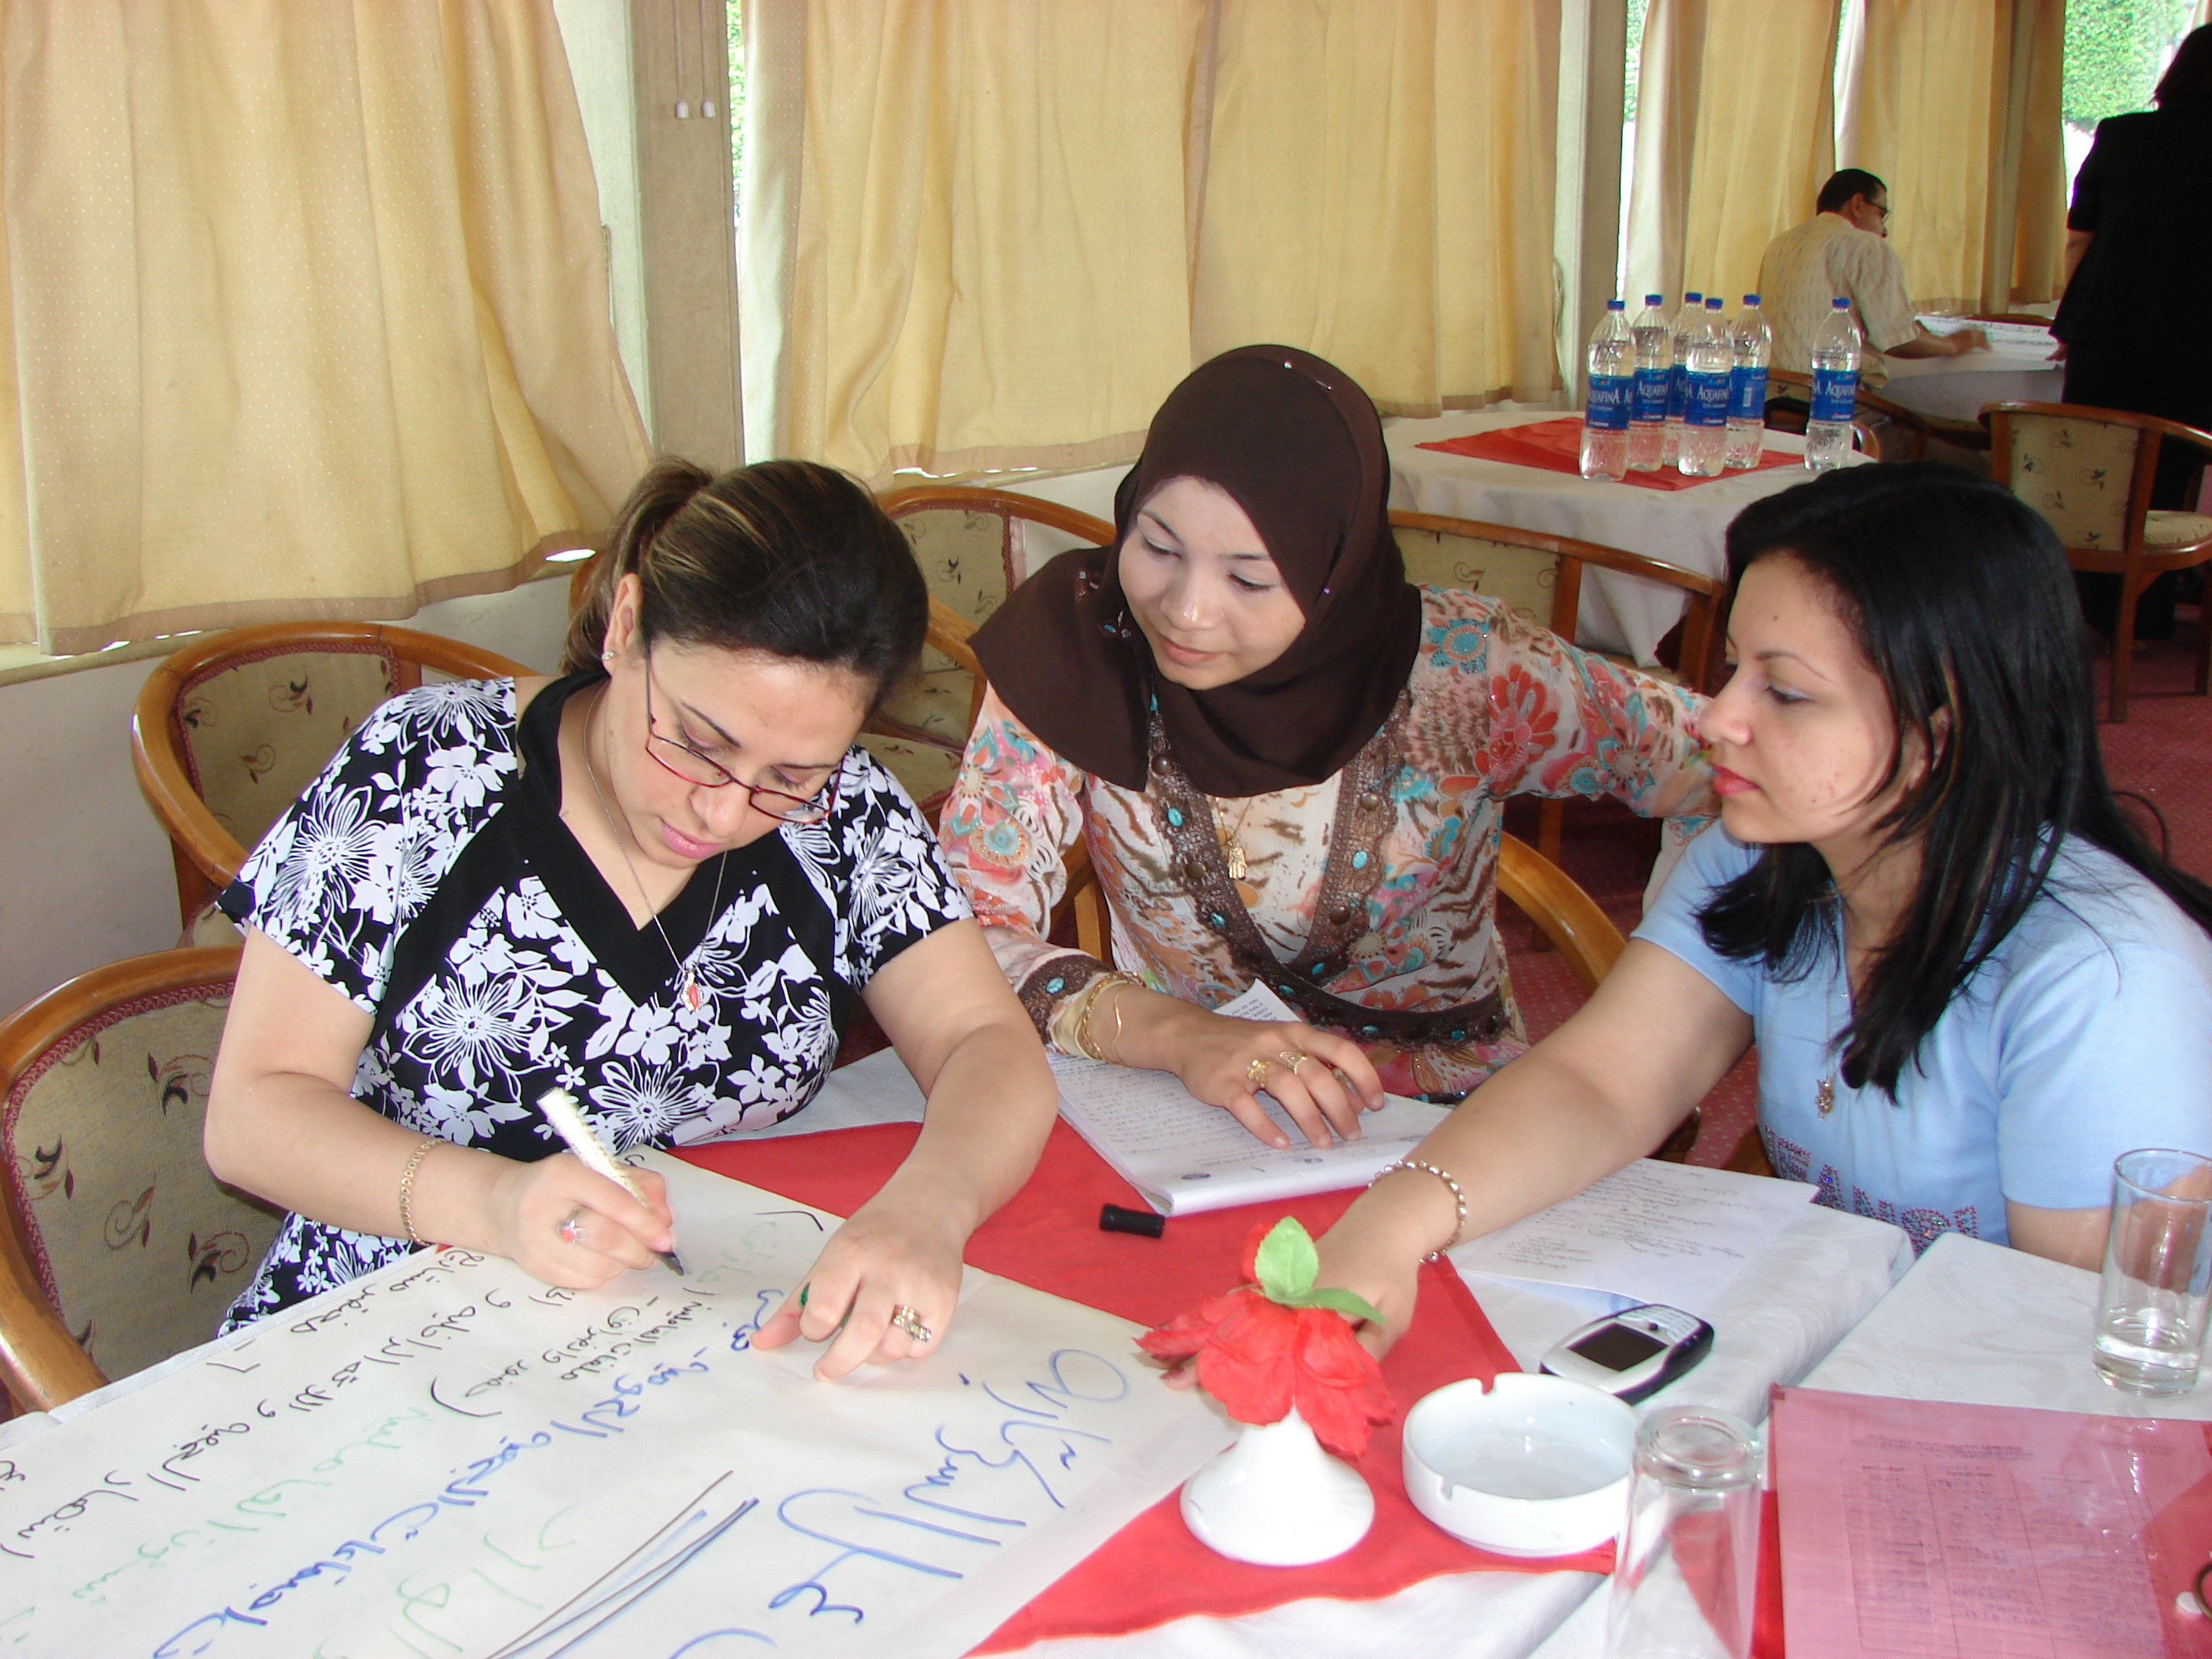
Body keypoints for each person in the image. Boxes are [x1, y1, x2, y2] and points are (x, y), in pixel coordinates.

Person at [1307, 463, 2212, 1353]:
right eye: (1734, 668)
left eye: (1783, 692)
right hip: (1847, 1335)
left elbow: (2073, 1343)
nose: (1714, 718)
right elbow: (1603, 1082)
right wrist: (1395, 1221)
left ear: (1937, 735)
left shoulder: (2103, 984)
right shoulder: (1769, 854)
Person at [203, 457, 1057, 1379]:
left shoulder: (845, 815)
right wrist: (491, 1203)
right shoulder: (424, 771)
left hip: (689, 1349)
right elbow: (251, 1116)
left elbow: (983, 1040)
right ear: (624, 626)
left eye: (789, 775)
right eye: (696, 742)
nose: (721, 813)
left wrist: (928, 1211)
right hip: (385, 1344)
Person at [935, 345, 1714, 1147]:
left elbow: (1721, 764)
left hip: (1451, 1128)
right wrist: (1174, 1034)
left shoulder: (1471, 672)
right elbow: (952, 930)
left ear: (1333, 571)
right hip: (1194, 1115)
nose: (1185, 611)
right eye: (1158, 547)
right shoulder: (1079, 645)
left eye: (1248, 579)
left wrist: (1659, 1034)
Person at [2051, 26, 2212, 638]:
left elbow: (2080, 237)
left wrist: (2071, 317)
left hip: (2107, 325)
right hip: (2197, 340)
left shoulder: (2121, 135)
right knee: (2167, 479)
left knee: (2090, 472)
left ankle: (2075, 606)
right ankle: (2143, 615)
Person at [1756, 169, 1989, 388]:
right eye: (1881, 214)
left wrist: (1913, 328)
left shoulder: (1780, 243)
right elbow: (1898, 341)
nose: (1884, 231)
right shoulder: (1866, 246)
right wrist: (1956, 343)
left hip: (1766, 392)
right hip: (1827, 396)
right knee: (1918, 415)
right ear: (1857, 204)